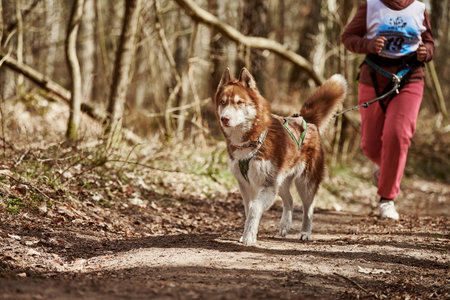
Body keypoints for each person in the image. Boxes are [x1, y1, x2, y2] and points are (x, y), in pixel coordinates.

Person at [341, 0, 434, 220]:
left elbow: (429, 43)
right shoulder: (370, 5)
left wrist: (425, 52)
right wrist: (368, 44)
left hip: (410, 77)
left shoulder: (419, 8)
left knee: (398, 135)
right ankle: (386, 167)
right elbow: (348, 38)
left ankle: (387, 199)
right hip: (373, 77)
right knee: (370, 146)